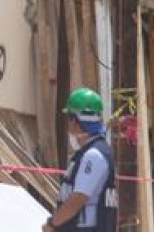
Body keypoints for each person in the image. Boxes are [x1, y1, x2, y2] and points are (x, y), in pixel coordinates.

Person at [43, 87, 116, 232]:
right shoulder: (89, 153)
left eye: (69, 119)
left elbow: (78, 199)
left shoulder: (93, 155)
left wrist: (52, 224)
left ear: (75, 122)